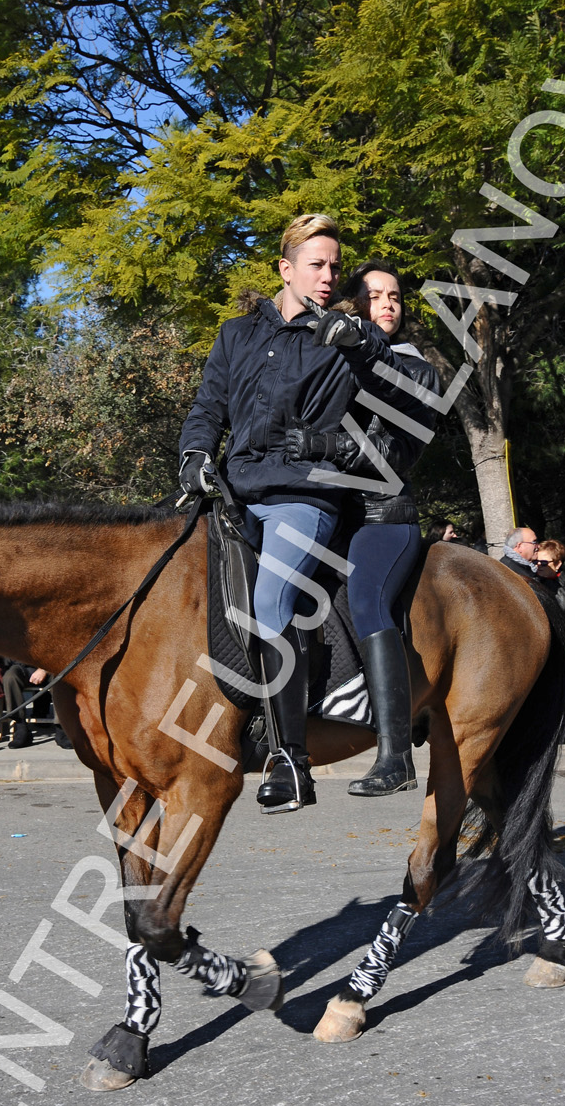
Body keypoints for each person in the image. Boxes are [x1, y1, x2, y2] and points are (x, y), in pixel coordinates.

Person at [178, 216, 423, 812]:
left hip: (304, 497)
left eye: (335, 266)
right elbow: (209, 405)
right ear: (285, 268)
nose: (328, 275)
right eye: (317, 264)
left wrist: (365, 343)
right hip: (235, 495)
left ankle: (292, 760)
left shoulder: (341, 338)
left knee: (270, 604)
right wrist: (194, 454)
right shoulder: (234, 334)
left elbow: (412, 390)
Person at [286, 259, 441, 795]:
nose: (389, 304)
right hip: (329, 513)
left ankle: (395, 755)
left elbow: (390, 454)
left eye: (395, 296)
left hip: (383, 516)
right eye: (376, 296)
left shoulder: (416, 368)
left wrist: (322, 445)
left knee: (370, 600)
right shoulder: (335, 364)